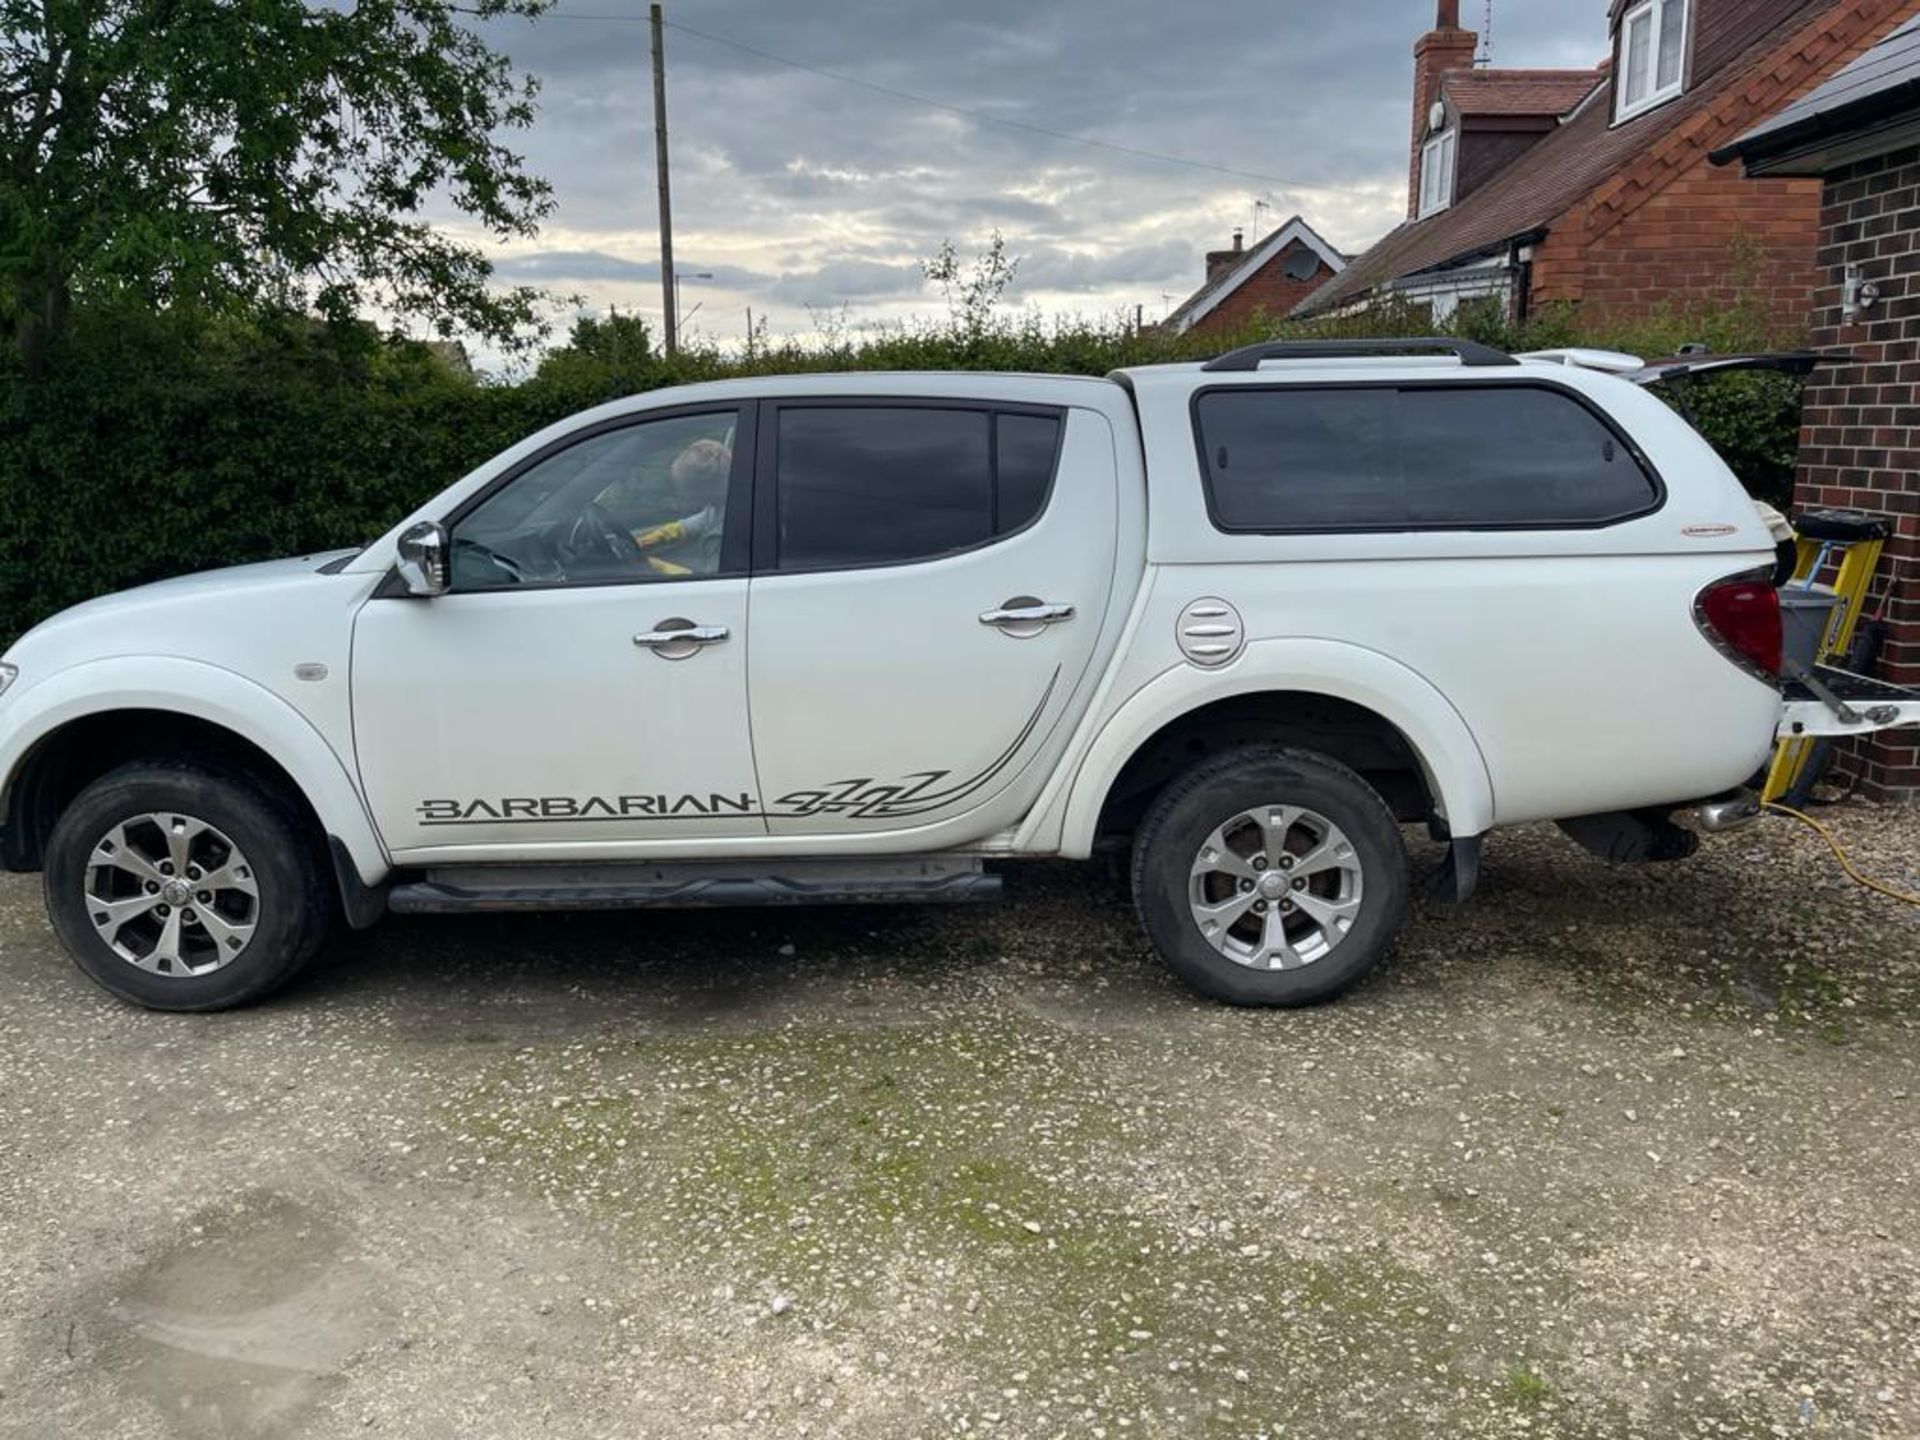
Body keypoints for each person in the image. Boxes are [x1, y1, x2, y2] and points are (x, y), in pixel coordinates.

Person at [634, 437, 730, 576]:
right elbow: (690, 526)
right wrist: (651, 539)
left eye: (685, 488)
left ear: (704, 488)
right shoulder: (719, 507)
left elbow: (709, 582)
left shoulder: (726, 534)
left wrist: (659, 568)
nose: (681, 494)